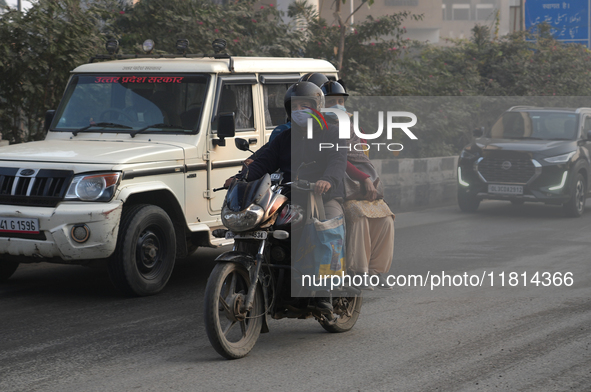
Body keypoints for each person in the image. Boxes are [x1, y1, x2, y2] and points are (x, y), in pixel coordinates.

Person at [228, 81, 347, 311]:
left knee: (327, 227)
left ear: (317, 107)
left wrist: (327, 180)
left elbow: (337, 160)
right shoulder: (283, 138)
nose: (300, 110)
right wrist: (240, 177)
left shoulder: (331, 132)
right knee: (263, 226)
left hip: (323, 196)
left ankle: (324, 292)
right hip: (290, 195)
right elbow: (262, 162)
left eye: (305, 105)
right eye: (295, 106)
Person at [321, 80, 395, 290]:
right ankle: (358, 272)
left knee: (386, 217)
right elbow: (339, 158)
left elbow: (360, 155)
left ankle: (375, 272)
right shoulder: (322, 128)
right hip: (340, 184)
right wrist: (364, 177)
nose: (338, 105)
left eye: (340, 101)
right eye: (332, 101)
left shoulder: (352, 126)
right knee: (358, 216)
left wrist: (367, 177)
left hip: (361, 182)